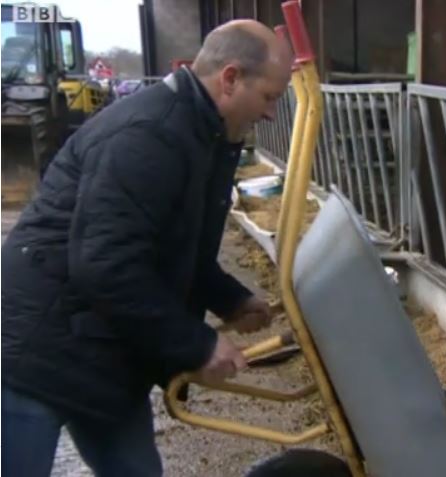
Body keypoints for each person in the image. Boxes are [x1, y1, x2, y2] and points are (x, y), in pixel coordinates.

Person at [1, 19, 292, 476]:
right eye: (270, 97)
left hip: (103, 349)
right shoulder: (150, 135)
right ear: (231, 78)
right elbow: (105, 264)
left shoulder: (198, 133)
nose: (271, 113)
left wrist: (230, 298)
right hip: (36, 350)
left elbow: (170, 246)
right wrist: (196, 343)